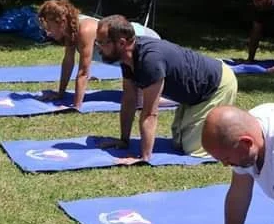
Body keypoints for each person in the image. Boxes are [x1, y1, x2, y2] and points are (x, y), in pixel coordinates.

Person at [93, 15, 237, 163]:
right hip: (192, 92)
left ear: (122, 43)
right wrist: (124, 141)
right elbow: (129, 100)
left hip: (216, 85)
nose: (98, 47)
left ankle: (237, 137)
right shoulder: (127, 58)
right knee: (178, 143)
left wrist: (144, 157)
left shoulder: (150, 60)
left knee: (193, 150)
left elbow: (150, 113)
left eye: (102, 42)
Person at [37, 0, 159, 111]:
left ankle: (177, 100)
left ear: (62, 22)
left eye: (49, 27)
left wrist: (76, 106)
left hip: (146, 43)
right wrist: (60, 94)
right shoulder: (70, 29)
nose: (48, 33)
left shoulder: (85, 30)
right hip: (127, 55)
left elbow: (83, 73)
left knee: (143, 102)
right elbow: (68, 63)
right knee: (137, 98)